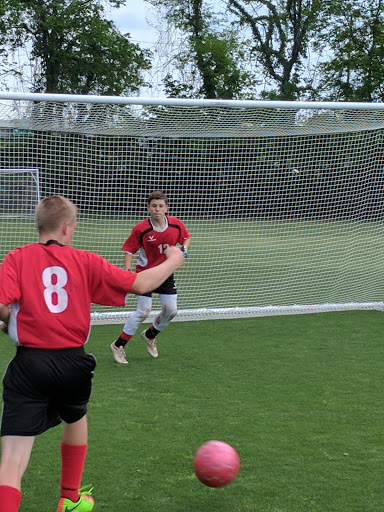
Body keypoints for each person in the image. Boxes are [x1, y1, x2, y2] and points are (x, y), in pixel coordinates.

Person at [0, 195, 184, 512]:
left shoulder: (17, 258)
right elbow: (141, 284)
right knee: (76, 415)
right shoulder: (85, 261)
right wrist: (174, 260)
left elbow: (2, 305)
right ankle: (69, 497)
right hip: (73, 362)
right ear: (68, 227)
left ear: (39, 225)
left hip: (29, 364)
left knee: (13, 458)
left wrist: (9, 322)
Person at [110, 191, 190, 364]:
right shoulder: (141, 228)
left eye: (161, 206)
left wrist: (183, 251)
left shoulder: (176, 225)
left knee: (172, 310)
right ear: (148, 208)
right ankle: (118, 345)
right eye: (154, 206)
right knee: (143, 311)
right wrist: (127, 270)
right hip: (145, 274)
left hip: (165, 274)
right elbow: (129, 250)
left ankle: (150, 335)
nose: (157, 209)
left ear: (166, 208)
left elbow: (186, 238)